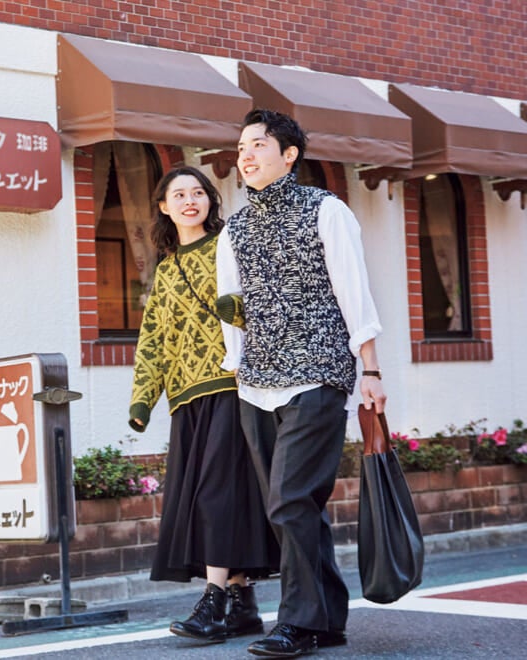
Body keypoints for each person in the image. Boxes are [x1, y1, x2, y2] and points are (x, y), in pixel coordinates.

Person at [216, 109, 387, 657]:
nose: (246, 154)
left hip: (317, 371)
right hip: (256, 380)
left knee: (289, 499)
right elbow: (231, 306)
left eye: (259, 144)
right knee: (293, 506)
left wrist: (372, 369)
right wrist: (235, 365)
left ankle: (295, 623)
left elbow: (352, 289)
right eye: (241, 146)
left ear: (289, 155)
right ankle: (327, 619)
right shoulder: (236, 227)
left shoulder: (326, 210)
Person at [129, 165, 279, 644]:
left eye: (199, 192)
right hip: (186, 400)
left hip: (231, 388)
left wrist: (235, 310)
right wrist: (142, 398)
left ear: (212, 201)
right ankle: (241, 601)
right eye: (179, 194)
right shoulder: (166, 269)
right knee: (211, 497)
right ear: (163, 206)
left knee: (217, 494)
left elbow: (261, 297)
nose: (190, 201)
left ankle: (214, 601)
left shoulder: (228, 246)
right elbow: (153, 338)